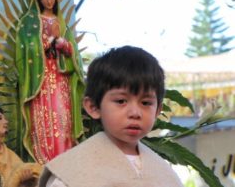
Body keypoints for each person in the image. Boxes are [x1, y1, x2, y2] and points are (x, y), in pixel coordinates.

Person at [38, 46, 184, 187]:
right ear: (93, 107)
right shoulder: (72, 170)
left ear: (158, 110)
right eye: (121, 101)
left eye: (146, 103)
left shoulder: (164, 173)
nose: (135, 113)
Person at [16, 0, 85, 164]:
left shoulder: (63, 24)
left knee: (63, 119)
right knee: (44, 122)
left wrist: (63, 43)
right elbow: (25, 52)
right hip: (41, 80)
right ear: (38, 0)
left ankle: (65, 160)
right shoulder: (29, 24)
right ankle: (45, 161)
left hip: (61, 78)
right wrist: (47, 43)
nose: (49, 1)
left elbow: (74, 56)